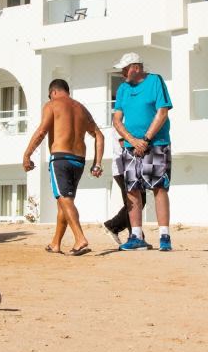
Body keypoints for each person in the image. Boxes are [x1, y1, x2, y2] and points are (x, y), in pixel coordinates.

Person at [22, 78, 104, 255]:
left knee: (64, 199)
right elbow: (99, 135)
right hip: (79, 161)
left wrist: (27, 154)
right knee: (65, 203)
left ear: (53, 92)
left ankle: (80, 238)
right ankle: (55, 244)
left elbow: (42, 131)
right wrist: (97, 164)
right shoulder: (81, 108)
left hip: (60, 158)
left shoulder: (52, 104)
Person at [111, 52, 174, 252]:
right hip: (131, 147)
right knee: (131, 190)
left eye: (125, 68)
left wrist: (146, 140)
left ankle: (164, 235)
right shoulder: (122, 89)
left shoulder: (155, 81)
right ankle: (136, 236)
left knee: (158, 187)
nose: (122, 73)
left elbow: (162, 112)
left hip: (156, 143)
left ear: (136, 67)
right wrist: (133, 141)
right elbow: (117, 120)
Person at [100, 137, 148, 247]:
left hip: (131, 167)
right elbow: (123, 142)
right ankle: (116, 227)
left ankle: (133, 234)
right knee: (134, 202)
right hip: (123, 168)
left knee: (135, 201)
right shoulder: (121, 122)